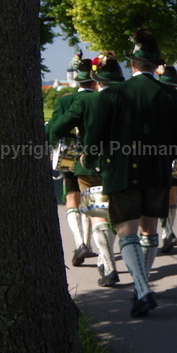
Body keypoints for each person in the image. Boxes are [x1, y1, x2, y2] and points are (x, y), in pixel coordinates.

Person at [86, 30, 177, 317]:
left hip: (123, 169)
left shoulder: (113, 94)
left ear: (132, 63)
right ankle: (141, 287)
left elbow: (95, 137)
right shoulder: (171, 96)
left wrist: (91, 156)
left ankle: (143, 289)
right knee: (150, 230)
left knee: (127, 230)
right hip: (158, 171)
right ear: (156, 65)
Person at [49, 52, 124, 286]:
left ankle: (104, 261)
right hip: (124, 164)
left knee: (96, 213)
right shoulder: (130, 99)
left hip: (86, 163)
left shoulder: (78, 101)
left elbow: (57, 128)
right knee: (113, 215)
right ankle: (105, 259)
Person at [46, 52, 95, 267]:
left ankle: (79, 242)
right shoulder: (98, 100)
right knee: (90, 198)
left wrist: (53, 148)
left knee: (72, 198)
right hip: (90, 154)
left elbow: (53, 130)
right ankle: (88, 244)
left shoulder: (65, 100)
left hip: (68, 152)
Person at [156, 64, 177, 254]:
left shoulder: (153, 102)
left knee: (155, 195)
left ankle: (164, 233)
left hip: (153, 155)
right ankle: (167, 232)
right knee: (172, 192)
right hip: (174, 154)